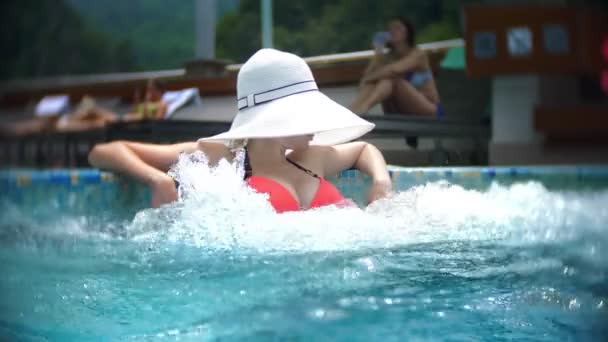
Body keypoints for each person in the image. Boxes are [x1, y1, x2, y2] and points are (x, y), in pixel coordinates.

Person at [89, 48, 392, 212]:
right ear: (276, 117)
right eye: (305, 113)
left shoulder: (313, 157)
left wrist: (381, 181)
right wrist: (159, 180)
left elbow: (365, 149)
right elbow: (104, 152)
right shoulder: (224, 159)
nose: (315, 125)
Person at [350, 17, 442, 117]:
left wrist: (368, 78)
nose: (393, 31)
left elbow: (393, 70)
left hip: (429, 108)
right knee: (374, 83)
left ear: (408, 32)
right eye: (390, 29)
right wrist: (378, 51)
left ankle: (363, 110)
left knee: (393, 80)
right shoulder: (389, 56)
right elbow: (368, 77)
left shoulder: (417, 54)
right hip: (400, 108)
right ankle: (351, 113)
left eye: (397, 28)